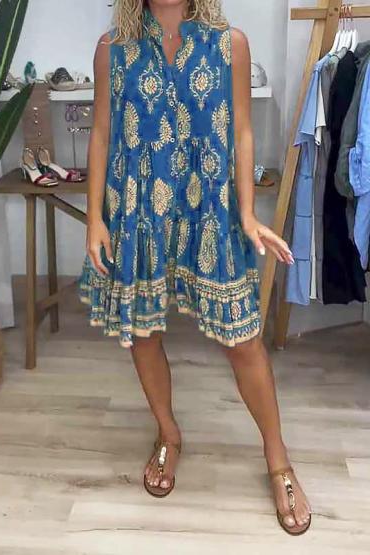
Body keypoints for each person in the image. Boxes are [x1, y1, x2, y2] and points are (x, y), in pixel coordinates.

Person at [78, 0, 312, 535]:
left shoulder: (230, 45)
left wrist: (248, 213)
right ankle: (168, 433)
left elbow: (244, 133)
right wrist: (94, 218)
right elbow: (101, 133)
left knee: (243, 339)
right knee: (143, 333)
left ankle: (278, 458)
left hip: (209, 210)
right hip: (137, 211)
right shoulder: (112, 49)